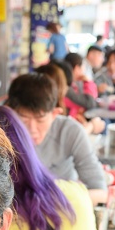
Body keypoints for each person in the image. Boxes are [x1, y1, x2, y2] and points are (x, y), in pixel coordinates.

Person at [7, 72, 108, 205]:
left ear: (55, 114)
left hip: (63, 213)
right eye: (23, 119)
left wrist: (51, 205)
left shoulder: (70, 131)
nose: (32, 129)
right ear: (10, 113)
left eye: (40, 119)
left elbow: (100, 192)